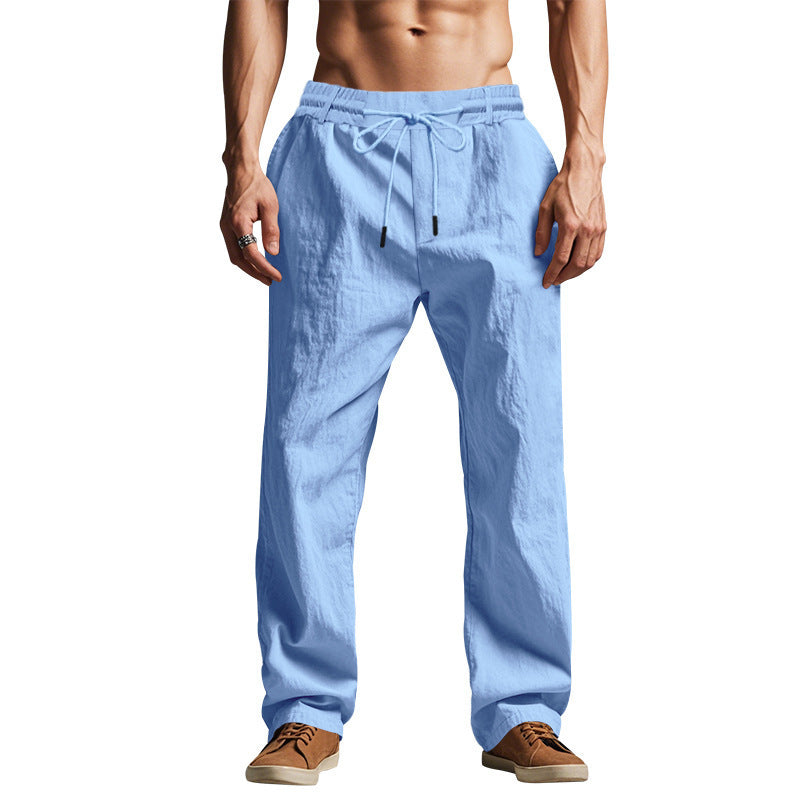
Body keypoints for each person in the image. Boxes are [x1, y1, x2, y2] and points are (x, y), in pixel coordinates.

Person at [220, 0, 607, 785]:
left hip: (492, 149)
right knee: (306, 444)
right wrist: (242, 160)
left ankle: (524, 708)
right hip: (337, 144)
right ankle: (305, 708)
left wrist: (587, 159)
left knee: (520, 444)